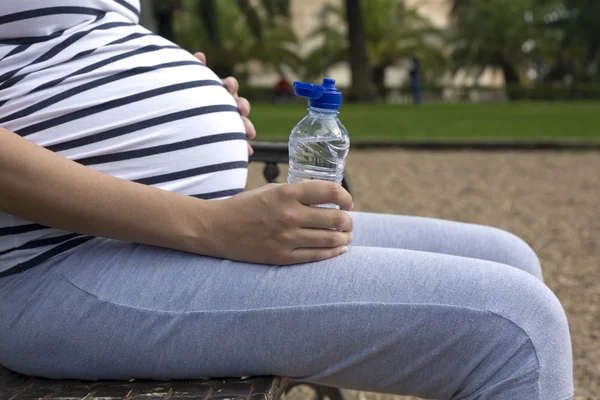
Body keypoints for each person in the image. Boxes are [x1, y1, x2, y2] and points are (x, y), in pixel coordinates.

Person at [0, 2, 573, 399]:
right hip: (50, 260)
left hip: (153, 236)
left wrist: (189, 94)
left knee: (508, 256)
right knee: (515, 328)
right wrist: (207, 223)